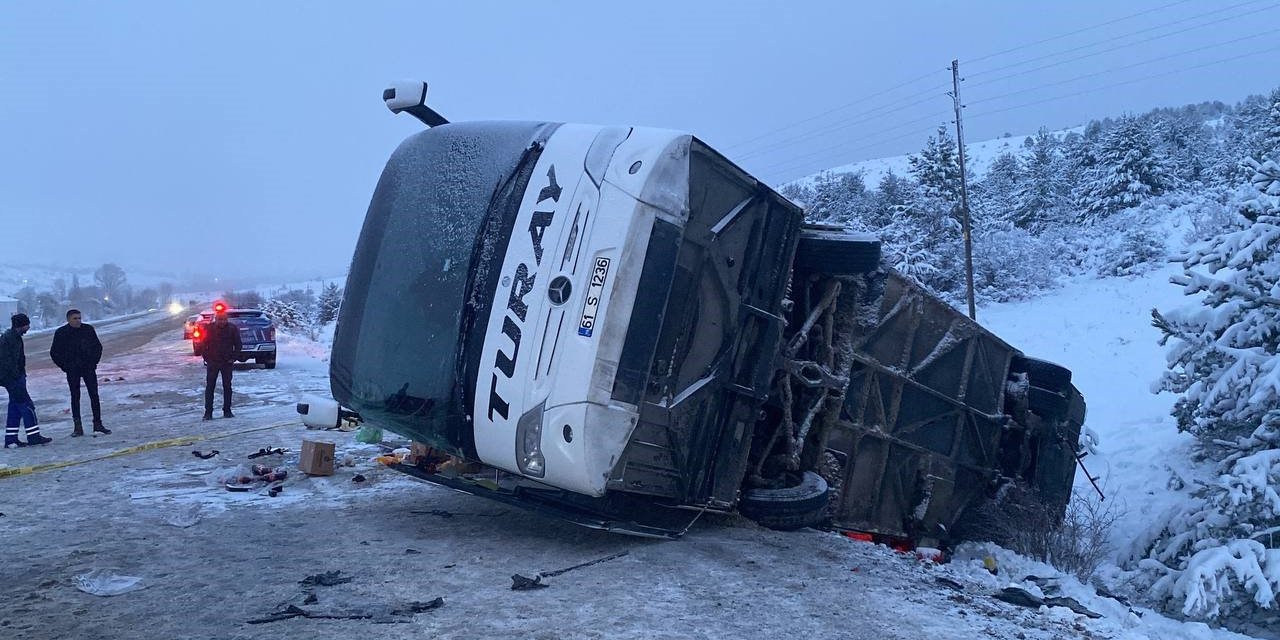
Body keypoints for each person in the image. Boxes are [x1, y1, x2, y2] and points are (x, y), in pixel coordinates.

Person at [50, 309, 109, 437]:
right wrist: (64, 366)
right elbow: (54, 352)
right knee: (75, 397)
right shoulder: (61, 333)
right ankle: (78, 427)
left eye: (79, 318)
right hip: (72, 370)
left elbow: (97, 347)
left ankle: (97, 424)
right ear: (68, 319)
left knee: (94, 395)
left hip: (88, 368)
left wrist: (94, 362)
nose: (78, 321)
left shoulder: (88, 330)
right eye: (75, 318)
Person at [1, 313, 51, 448]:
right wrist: (16, 376)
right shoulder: (9, 339)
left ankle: (11, 440)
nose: (28, 327)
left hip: (13, 378)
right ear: (20, 325)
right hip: (13, 379)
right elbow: (7, 362)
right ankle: (34, 437)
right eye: (27, 325)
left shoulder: (13, 337)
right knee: (27, 406)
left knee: (15, 408)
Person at [202, 308, 242, 420]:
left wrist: (233, 358)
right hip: (213, 363)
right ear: (216, 319)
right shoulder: (209, 328)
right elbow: (203, 344)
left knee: (227, 387)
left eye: (224, 319)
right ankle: (208, 413)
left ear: (227, 319)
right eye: (220, 319)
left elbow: (238, 345)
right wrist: (207, 358)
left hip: (227, 363)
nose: (222, 321)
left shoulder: (232, 329)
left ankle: (227, 411)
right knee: (210, 387)